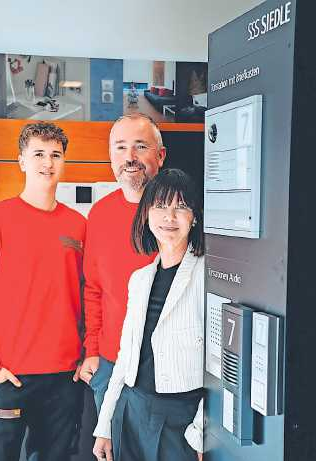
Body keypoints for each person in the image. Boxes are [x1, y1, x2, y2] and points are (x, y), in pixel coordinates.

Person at [0, 122, 86, 461]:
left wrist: (87, 353)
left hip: (64, 378)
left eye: (55, 155)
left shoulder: (78, 226)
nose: (48, 162)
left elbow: (89, 294)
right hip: (8, 378)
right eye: (39, 154)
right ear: (22, 162)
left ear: (63, 162)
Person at [93, 168, 205, 461]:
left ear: (194, 217)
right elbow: (125, 355)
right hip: (131, 409)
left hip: (181, 419)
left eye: (181, 206)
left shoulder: (208, 276)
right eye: (160, 206)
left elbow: (220, 369)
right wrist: (104, 425)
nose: (169, 217)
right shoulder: (140, 278)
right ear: (146, 214)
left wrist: (202, 435)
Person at [79, 114, 166, 412]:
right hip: (110, 364)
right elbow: (93, 290)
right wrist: (92, 351)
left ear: (160, 155)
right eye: (120, 147)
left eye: (140, 146)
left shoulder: (177, 216)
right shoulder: (99, 214)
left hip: (165, 369)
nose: (129, 157)